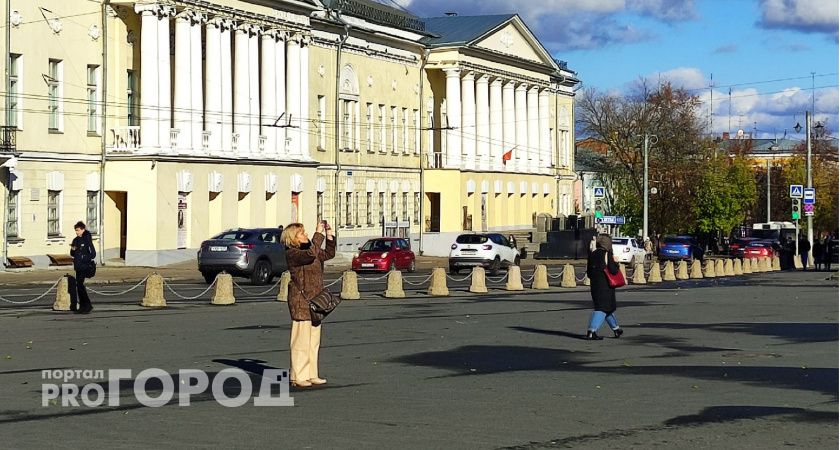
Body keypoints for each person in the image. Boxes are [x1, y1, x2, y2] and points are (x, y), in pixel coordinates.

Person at [282, 220, 335, 387]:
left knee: (313, 340)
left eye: (305, 232)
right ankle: (298, 375)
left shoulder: (311, 249)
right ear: (294, 239)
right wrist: (318, 234)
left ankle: (311, 373)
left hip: (316, 300)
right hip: (301, 300)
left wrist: (329, 235)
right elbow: (311, 254)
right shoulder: (293, 253)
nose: (306, 235)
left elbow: (328, 254)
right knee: (301, 340)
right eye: (302, 233)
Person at [584, 234, 623, 340]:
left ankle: (616, 329)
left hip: (595, 285)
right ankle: (591, 331)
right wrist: (616, 263)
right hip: (606, 286)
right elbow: (613, 270)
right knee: (602, 308)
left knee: (607, 308)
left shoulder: (592, 254)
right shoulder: (607, 254)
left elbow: (589, 273)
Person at [69, 221, 96, 314]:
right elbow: (72, 253)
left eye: (78, 230)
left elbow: (93, 254)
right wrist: (73, 250)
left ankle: (86, 305)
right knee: (79, 286)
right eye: (76, 230)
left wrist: (84, 258)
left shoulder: (87, 239)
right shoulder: (75, 240)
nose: (77, 232)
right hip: (78, 266)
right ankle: (84, 306)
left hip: (84, 266)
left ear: (83, 229)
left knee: (80, 285)